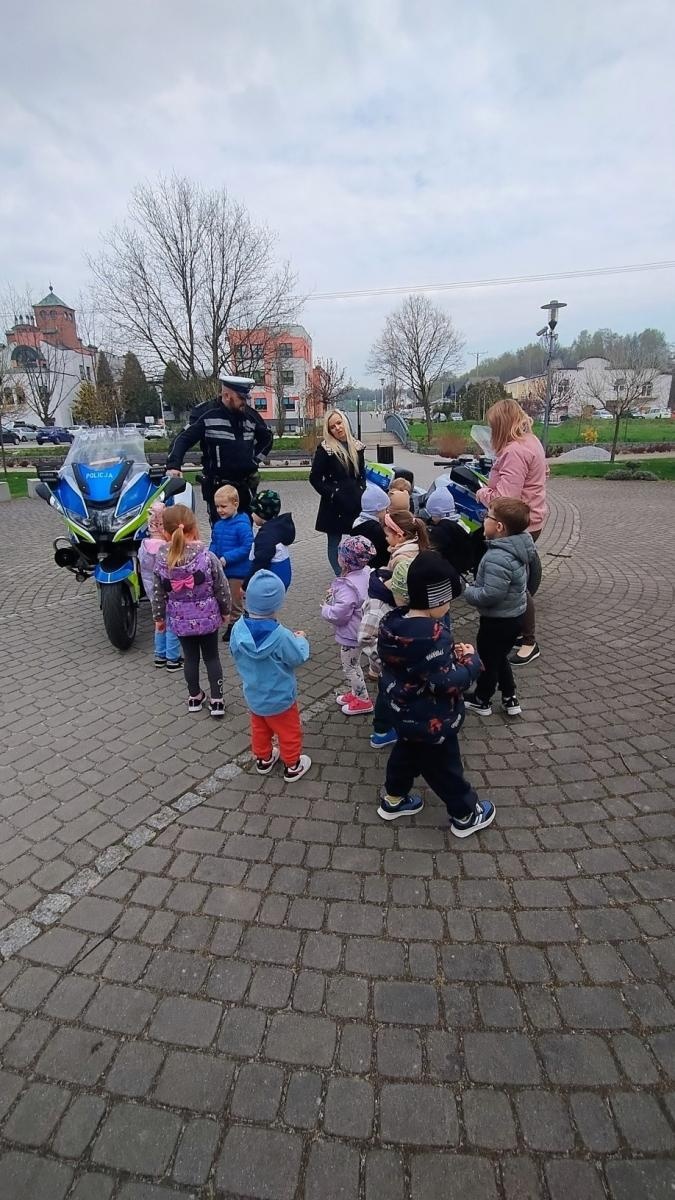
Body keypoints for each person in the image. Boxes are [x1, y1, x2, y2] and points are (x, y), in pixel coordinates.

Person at [376, 551, 495, 837]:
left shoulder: (392, 624)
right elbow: (447, 682)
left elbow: (418, 665)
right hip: (431, 717)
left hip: (402, 710)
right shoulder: (431, 635)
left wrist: (446, 656)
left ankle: (394, 798)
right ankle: (465, 813)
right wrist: (471, 662)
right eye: (448, 602)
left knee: (405, 754)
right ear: (437, 600)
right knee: (444, 767)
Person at [477, 398, 548, 665]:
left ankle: (529, 641)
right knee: (520, 578)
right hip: (534, 517)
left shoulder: (515, 451)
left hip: (517, 524)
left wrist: (481, 491)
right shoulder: (532, 441)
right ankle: (519, 631)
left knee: (518, 586)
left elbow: (505, 500)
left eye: (492, 426)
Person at [229, 570, 312, 782]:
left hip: (254, 694)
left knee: (259, 728)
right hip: (280, 696)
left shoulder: (238, 629)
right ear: (277, 603)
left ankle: (264, 759)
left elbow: (233, 652)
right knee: (289, 731)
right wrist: (301, 640)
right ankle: (292, 764)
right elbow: (297, 657)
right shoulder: (281, 635)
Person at [152, 504, 230, 716]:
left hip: (180, 619)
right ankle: (217, 700)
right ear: (194, 529)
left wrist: (159, 617)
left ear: (165, 533)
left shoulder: (162, 560)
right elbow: (221, 586)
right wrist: (226, 610)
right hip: (208, 618)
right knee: (212, 658)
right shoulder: (207, 557)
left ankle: (194, 697)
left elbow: (157, 591)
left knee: (190, 658)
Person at [166, 373, 273, 524]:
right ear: (227, 395)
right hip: (218, 487)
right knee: (221, 532)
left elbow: (267, 438)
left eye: (245, 398)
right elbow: (183, 439)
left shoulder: (251, 416)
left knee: (244, 531)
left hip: (244, 486)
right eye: (241, 398)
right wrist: (173, 465)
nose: (244, 402)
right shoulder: (206, 413)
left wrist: (254, 460)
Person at [463, 498, 537, 717]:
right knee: (499, 656)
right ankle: (509, 696)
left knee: (488, 660)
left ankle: (482, 699)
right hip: (513, 616)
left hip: (497, 620)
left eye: (488, 516)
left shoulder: (498, 557)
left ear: (499, 526)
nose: (483, 518)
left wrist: (467, 591)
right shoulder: (517, 547)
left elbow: (491, 594)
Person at [322, 535, 375, 717]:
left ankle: (363, 700)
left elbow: (340, 614)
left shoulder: (348, 585)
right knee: (355, 663)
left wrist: (326, 609)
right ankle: (355, 693)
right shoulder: (366, 573)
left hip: (352, 634)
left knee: (350, 666)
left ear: (345, 559)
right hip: (363, 628)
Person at [309, 409, 365, 574]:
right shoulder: (326, 449)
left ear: (345, 422)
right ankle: (339, 574)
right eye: (332, 427)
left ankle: (355, 571)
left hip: (355, 501)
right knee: (334, 540)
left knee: (356, 538)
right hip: (334, 504)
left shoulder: (357, 446)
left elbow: (361, 475)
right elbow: (315, 478)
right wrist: (332, 493)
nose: (337, 428)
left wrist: (361, 490)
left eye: (339, 423)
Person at [139, 502, 183, 670]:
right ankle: (173, 658)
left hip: (153, 591)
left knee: (159, 622)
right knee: (172, 623)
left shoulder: (143, 546)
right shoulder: (166, 548)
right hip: (169, 591)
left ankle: (159, 655)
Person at [209, 485, 254, 642]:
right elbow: (214, 542)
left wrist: (227, 558)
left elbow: (247, 546)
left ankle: (235, 625)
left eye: (223, 506)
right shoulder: (219, 524)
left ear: (235, 504)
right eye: (217, 507)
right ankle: (231, 619)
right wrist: (211, 556)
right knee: (223, 596)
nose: (220, 510)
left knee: (235, 599)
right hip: (222, 569)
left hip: (237, 571)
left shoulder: (242, 524)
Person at [244, 490, 295, 590]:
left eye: (253, 512)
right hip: (281, 579)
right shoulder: (278, 528)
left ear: (261, 513)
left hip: (270, 583)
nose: (251, 515)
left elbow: (259, 563)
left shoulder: (266, 537)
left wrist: (246, 585)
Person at [426, 488, 481, 577]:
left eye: (432, 515)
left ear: (439, 512)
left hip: (451, 569)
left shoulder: (442, 531)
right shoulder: (460, 524)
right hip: (465, 566)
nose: (431, 518)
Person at [352, 482, 390, 568]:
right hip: (376, 566)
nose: (386, 512)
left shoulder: (358, 522)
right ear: (378, 508)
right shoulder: (375, 529)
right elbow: (385, 549)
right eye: (385, 509)